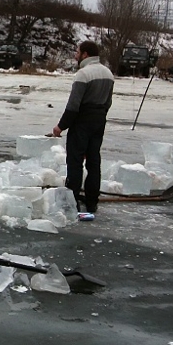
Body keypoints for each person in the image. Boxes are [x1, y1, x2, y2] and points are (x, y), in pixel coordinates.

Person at [52, 40, 114, 218]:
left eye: (77, 52)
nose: (75, 55)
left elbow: (73, 106)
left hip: (82, 121)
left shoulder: (83, 74)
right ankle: (92, 201)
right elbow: (108, 103)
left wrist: (60, 127)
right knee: (94, 161)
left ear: (85, 54)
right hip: (99, 120)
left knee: (75, 161)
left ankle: (72, 202)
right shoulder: (108, 74)